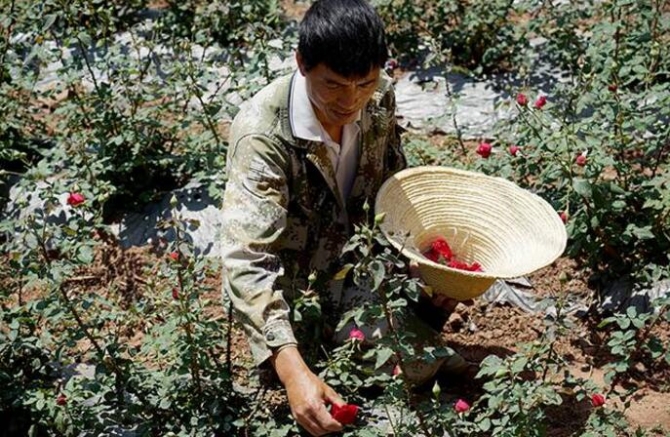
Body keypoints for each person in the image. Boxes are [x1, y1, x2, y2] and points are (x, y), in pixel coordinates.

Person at [220, 1, 470, 435]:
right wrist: (292, 370)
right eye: (333, 84)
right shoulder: (263, 135)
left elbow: (393, 186)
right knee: (383, 369)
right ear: (302, 63)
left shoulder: (379, 97)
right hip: (297, 292)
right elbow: (247, 260)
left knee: (411, 347)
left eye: (364, 83)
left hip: (359, 266)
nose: (350, 100)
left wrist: (422, 264)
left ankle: (408, 327)